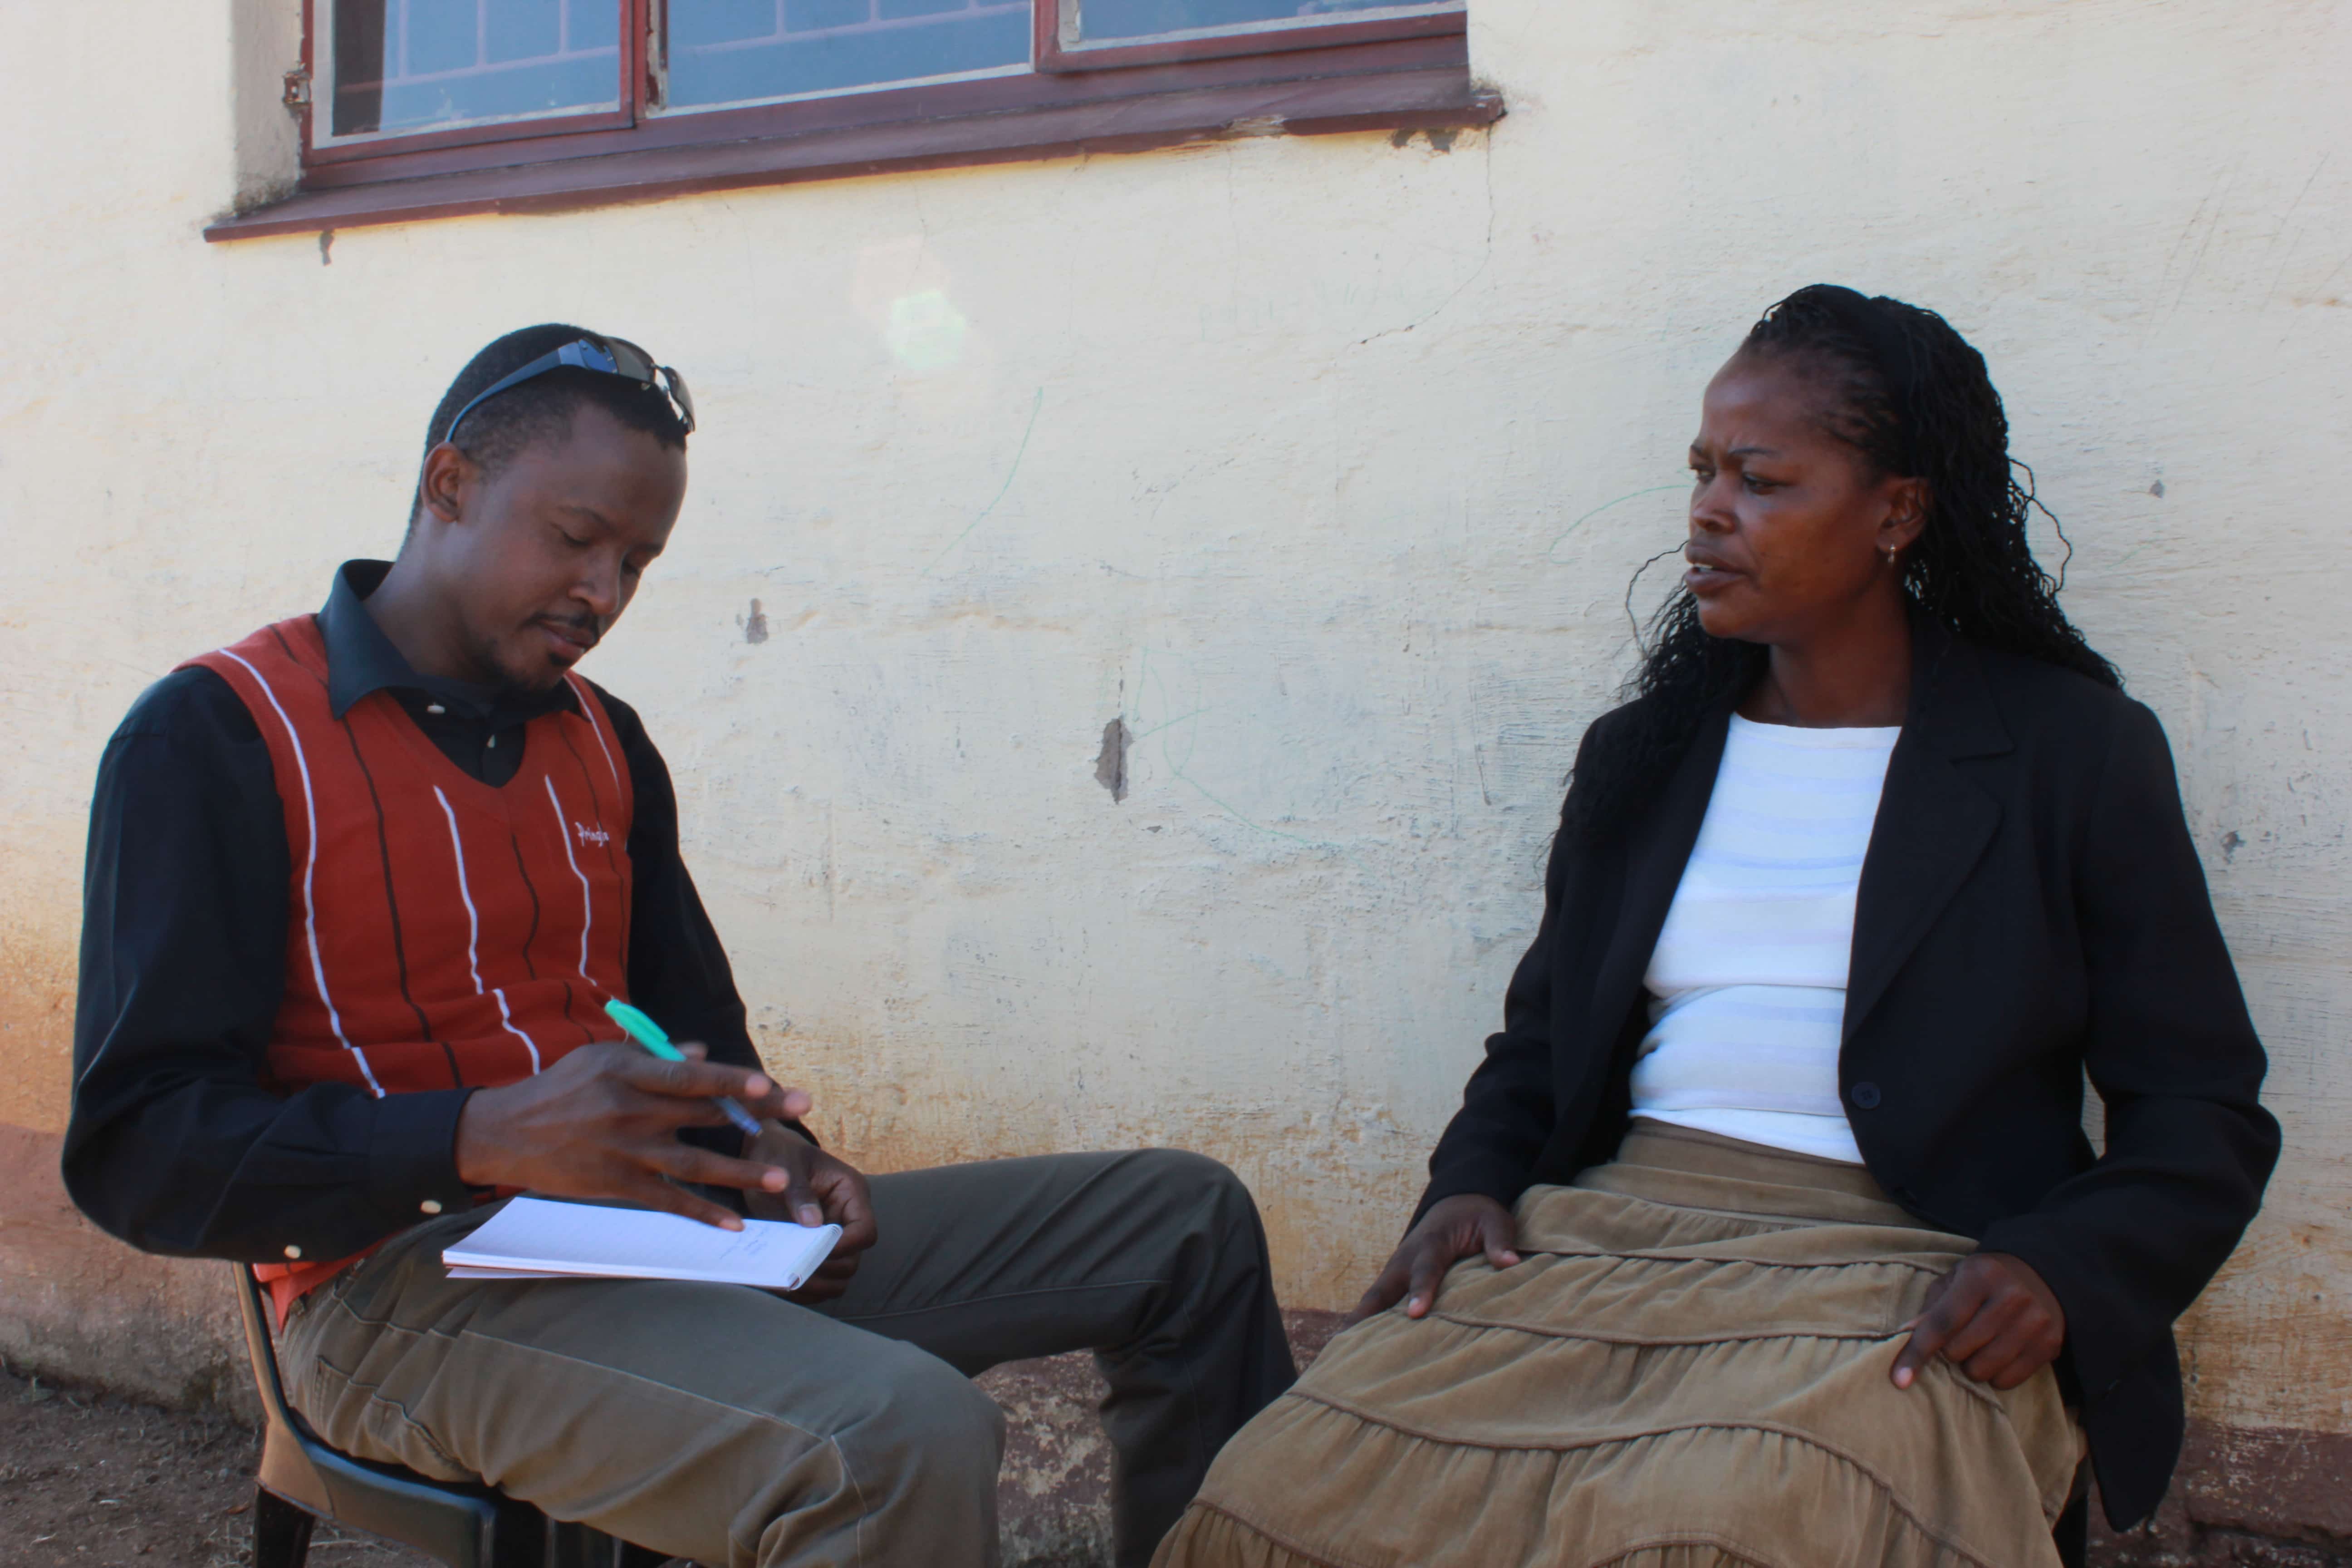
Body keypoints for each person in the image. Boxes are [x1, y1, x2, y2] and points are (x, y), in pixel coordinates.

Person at [64, 323, 1295, 1568]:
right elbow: (138, 1155)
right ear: (451, 486)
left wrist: (778, 1158)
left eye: (639, 561)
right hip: (390, 1287)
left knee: (1181, 1223)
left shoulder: (605, 739)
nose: (605, 594)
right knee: (891, 1439)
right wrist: (474, 1135)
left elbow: (695, 1033)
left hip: (660, 1231)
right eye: (576, 538)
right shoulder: (218, 738)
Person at [1152, 286, 2279, 1568]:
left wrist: (2066, 1274)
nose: (1706, 511)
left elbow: (2201, 1107)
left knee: (1717, 1532)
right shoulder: (1647, 756)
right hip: (1614, 1237)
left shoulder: (2067, 754)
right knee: (1280, 1495)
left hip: (1901, 1264)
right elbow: (1538, 1048)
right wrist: (1468, 1186)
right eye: (1701, 472)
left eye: (1760, 479)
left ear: (1896, 513)